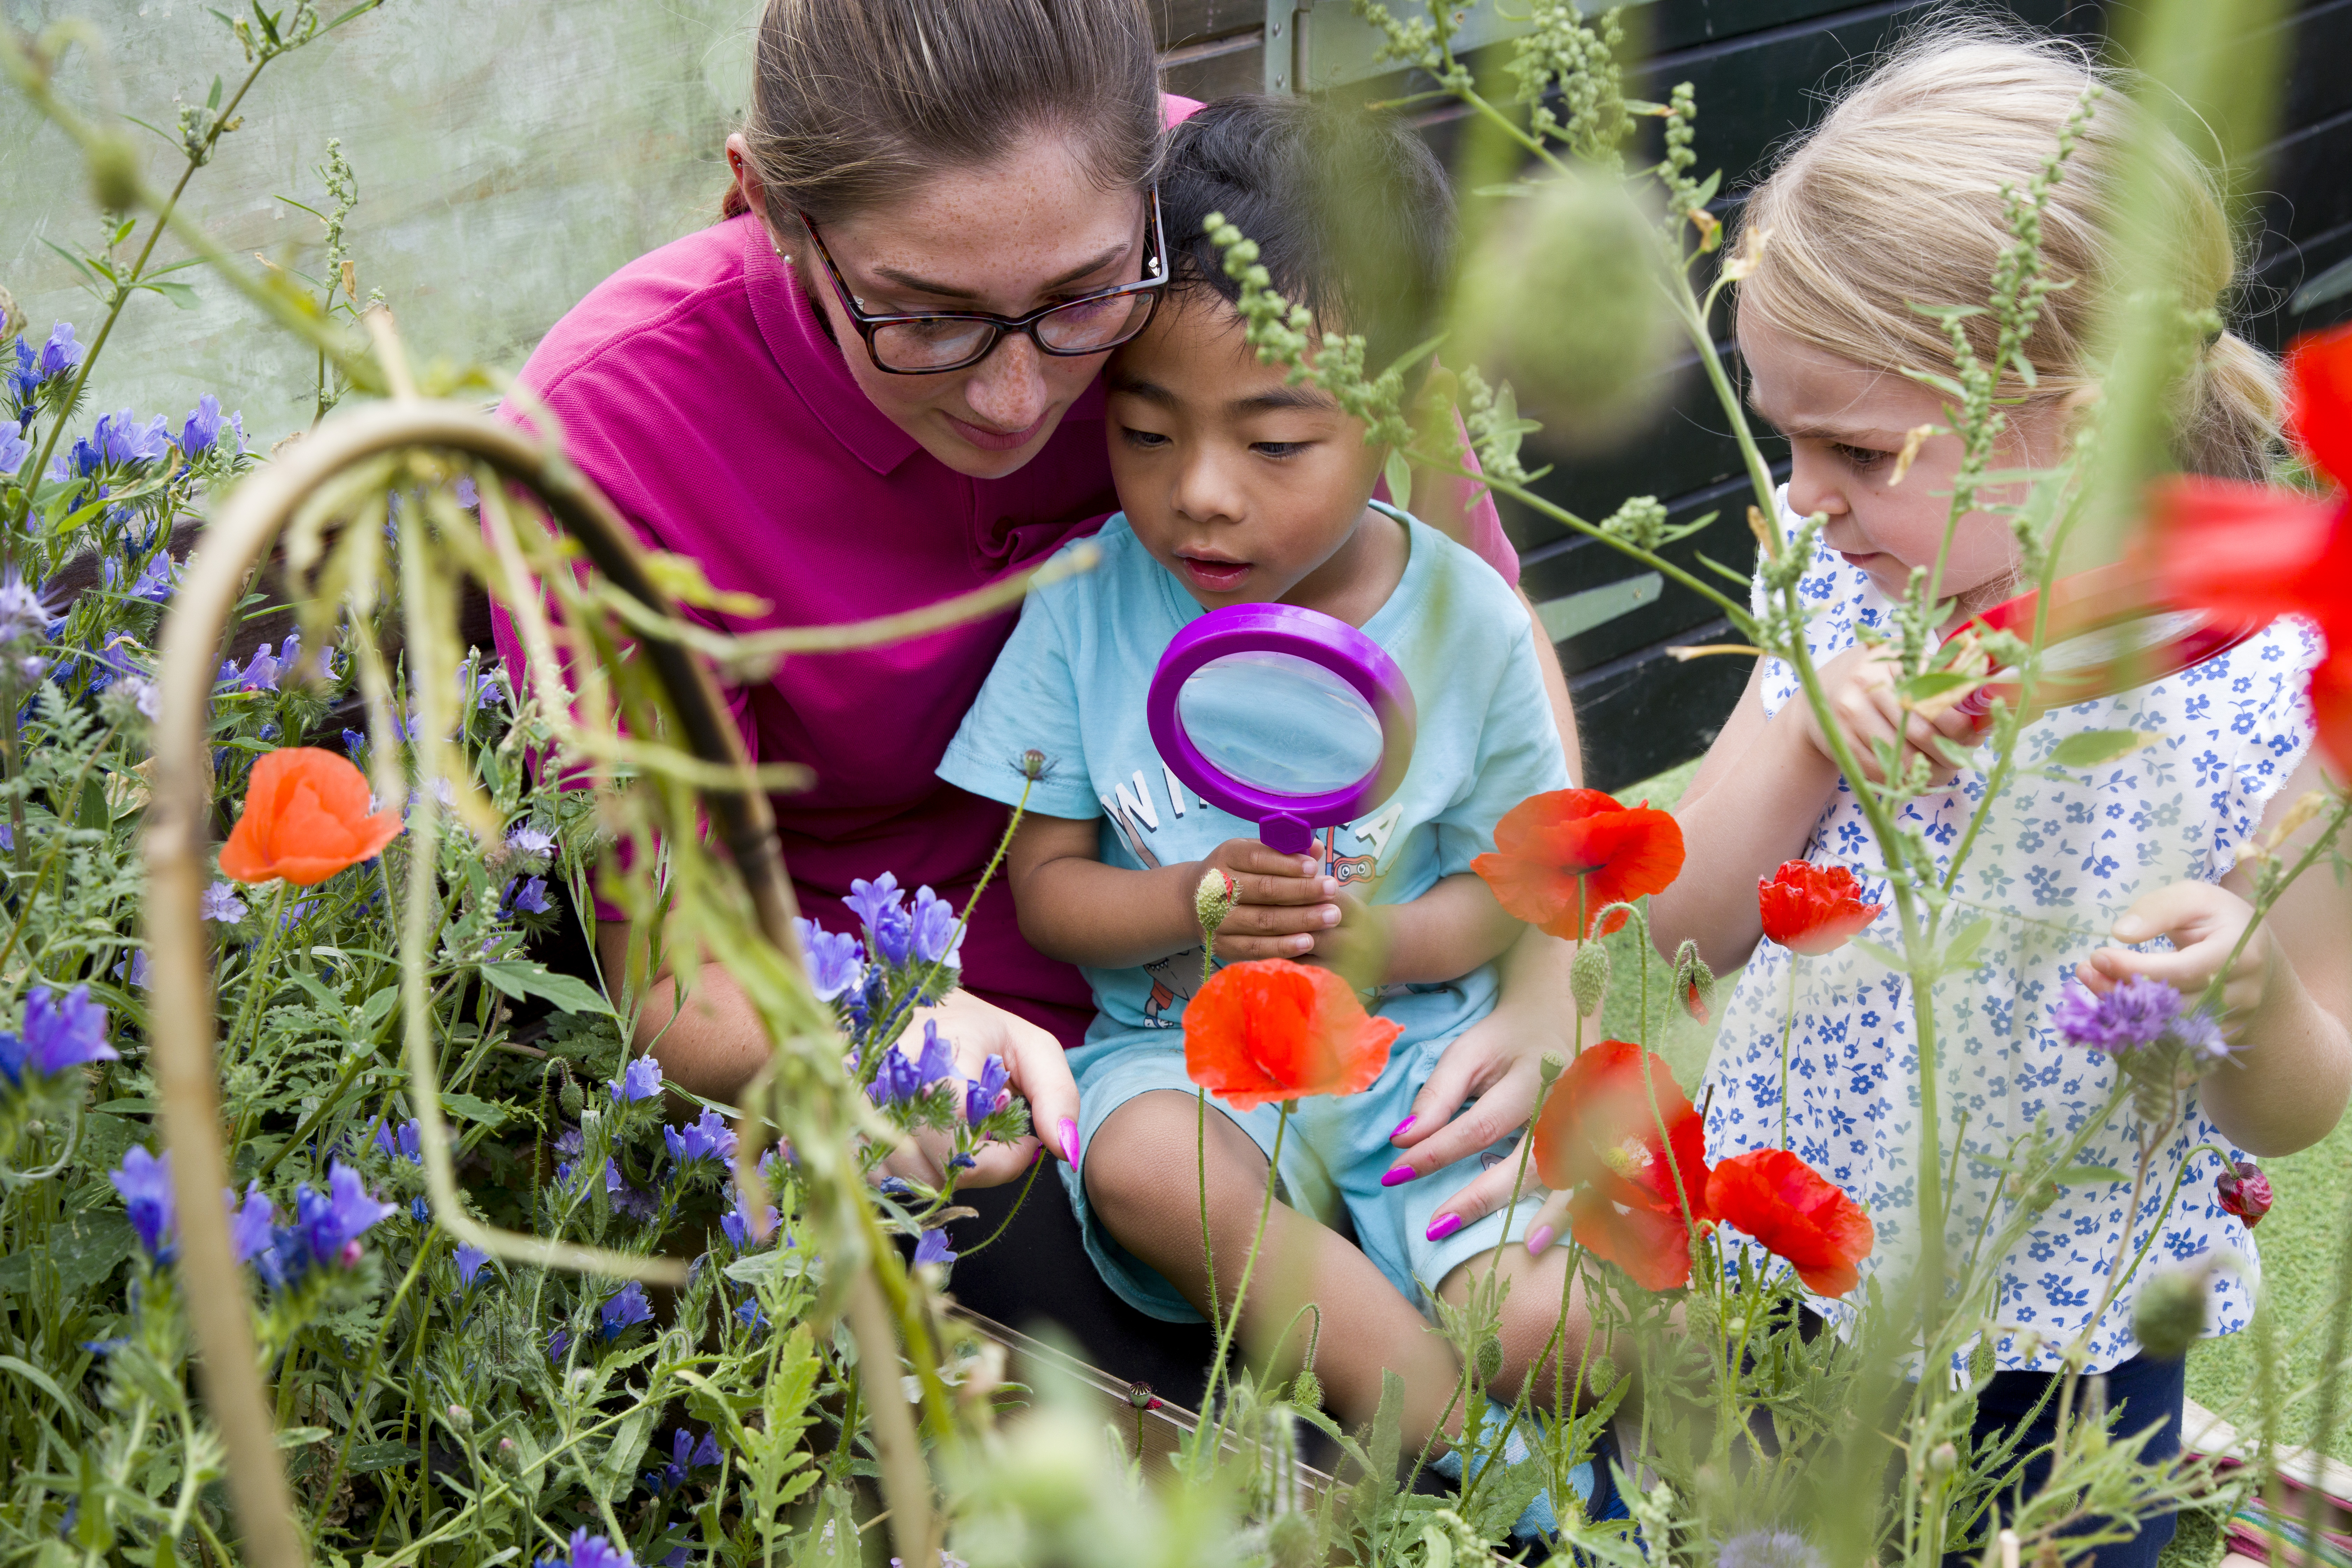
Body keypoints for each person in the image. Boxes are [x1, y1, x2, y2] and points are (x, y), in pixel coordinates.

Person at [486, 0, 1583, 1372]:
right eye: (923, 319)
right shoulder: (614, 435)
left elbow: (1475, 610)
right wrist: (880, 1021)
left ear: (1149, 190)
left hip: (1347, 988)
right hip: (988, 1079)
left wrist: (1550, 977)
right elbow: (679, 965)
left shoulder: (1239, 238)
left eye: (1081, 302)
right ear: (769, 205)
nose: (1016, 398)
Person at [1629, 25, 2352, 1566]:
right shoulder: (1834, 585)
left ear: (2086, 410)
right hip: (1794, 1256)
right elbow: (1683, 920)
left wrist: (2248, 987)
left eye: (1857, 447)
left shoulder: (2261, 687)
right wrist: (1807, 726)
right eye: (1783, 437)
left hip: (2078, 1326)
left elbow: (2302, 1103)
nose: (1804, 493)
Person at [936, 97, 1602, 1535]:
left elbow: (1525, 876)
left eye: (1278, 442)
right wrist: (1186, 903)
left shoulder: (1468, 622)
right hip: (1173, 1050)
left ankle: (1571, 1423)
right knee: (1138, 1168)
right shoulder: (1083, 603)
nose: (1200, 496)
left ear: (1408, 414)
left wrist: (1394, 939)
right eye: (1146, 431)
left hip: (1411, 1054)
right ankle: (1461, 1452)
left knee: (1556, 1323)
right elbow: (1043, 885)